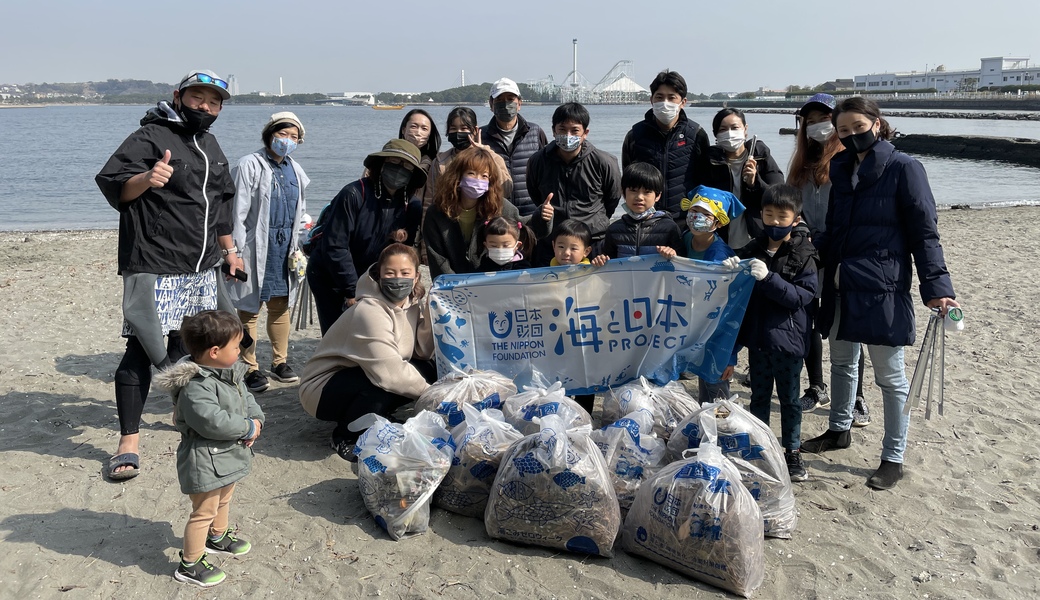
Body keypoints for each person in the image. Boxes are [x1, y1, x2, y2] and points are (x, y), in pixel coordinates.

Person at [800, 97, 958, 491]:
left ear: (877, 122)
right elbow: (835, 230)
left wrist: (937, 288)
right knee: (842, 363)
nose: (852, 135)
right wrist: (804, 242)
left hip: (883, 286)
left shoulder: (905, 168)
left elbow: (925, 234)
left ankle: (894, 456)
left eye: (858, 126)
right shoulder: (840, 168)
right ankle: (839, 430)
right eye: (844, 130)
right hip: (839, 282)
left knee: (890, 377)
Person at [95, 69, 239, 480]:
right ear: (179, 96)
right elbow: (114, 183)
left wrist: (230, 253)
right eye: (198, 98)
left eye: (214, 103)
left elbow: (221, 206)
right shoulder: (150, 136)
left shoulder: (211, 144)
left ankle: (185, 412)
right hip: (155, 262)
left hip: (201, 265)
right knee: (141, 348)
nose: (205, 107)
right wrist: (146, 177)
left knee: (190, 343)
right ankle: (128, 441)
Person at [155, 310, 264, 588]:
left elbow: (246, 397)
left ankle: (218, 535)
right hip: (203, 459)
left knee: (224, 497)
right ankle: (189, 563)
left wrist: (256, 419)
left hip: (227, 456)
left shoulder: (229, 373)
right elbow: (212, 422)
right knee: (204, 509)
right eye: (236, 346)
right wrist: (246, 427)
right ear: (215, 352)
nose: (240, 350)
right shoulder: (196, 386)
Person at [298, 244, 436, 460]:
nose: (397, 279)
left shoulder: (411, 304)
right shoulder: (368, 310)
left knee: (428, 370)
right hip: (322, 388)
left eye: (405, 273)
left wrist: (430, 314)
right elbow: (388, 372)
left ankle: (374, 414)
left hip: (367, 373)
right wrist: (433, 395)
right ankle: (346, 435)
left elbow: (421, 352)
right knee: (382, 384)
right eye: (390, 273)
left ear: (416, 277)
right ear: (379, 275)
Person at [730, 184, 818, 482]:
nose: (775, 222)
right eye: (769, 214)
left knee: (790, 398)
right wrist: (731, 267)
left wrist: (768, 278)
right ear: (761, 215)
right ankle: (759, 446)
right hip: (758, 338)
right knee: (759, 396)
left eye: (783, 216)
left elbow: (801, 297)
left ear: (796, 218)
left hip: (789, 341)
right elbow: (732, 269)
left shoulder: (804, 253)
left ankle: (792, 451)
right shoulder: (753, 247)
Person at [788, 93, 868, 423]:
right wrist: (803, 235)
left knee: (847, 326)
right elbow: (795, 209)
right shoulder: (801, 167)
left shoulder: (849, 161)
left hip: (842, 254)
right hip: (809, 254)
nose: (817, 126)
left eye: (824, 119)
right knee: (809, 322)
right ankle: (817, 387)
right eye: (810, 121)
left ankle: (858, 396)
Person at [305, 139, 425, 334]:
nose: (399, 170)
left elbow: (403, 252)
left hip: (374, 277)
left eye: (406, 167)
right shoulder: (353, 194)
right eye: (394, 163)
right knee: (339, 335)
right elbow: (335, 246)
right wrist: (352, 290)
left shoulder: (411, 206)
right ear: (381, 164)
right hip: (330, 276)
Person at [229, 112, 310, 393]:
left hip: (284, 246)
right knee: (249, 308)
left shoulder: (295, 170)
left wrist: (303, 239)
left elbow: (300, 211)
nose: (287, 141)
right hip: (254, 246)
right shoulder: (249, 165)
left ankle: (280, 362)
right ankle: (249, 366)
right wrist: (235, 251)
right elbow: (236, 212)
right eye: (283, 134)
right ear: (270, 135)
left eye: (294, 137)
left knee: (280, 304)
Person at [423, 146, 551, 279]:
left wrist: (543, 217)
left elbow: (524, 228)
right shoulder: (436, 212)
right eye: (471, 173)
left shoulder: (498, 206)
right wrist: (454, 284)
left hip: (489, 281)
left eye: (484, 176)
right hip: (452, 285)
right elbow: (437, 257)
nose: (478, 180)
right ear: (457, 176)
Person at [526, 102, 621, 261]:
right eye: (562, 129)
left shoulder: (604, 162)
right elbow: (535, 194)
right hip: (553, 243)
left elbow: (612, 199)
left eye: (575, 130)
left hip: (593, 242)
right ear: (553, 131)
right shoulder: (537, 161)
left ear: (585, 132)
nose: (568, 135)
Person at [417, 107, 511, 263]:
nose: (458, 132)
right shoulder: (440, 162)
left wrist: (486, 155)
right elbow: (429, 202)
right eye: (453, 128)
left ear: (474, 130)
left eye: (464, 128)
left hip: (483, 228)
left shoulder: (492, 157)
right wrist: (424, 244)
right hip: (450, 228)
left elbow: (506, 190)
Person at [679, 185, 744, 402]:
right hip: (692, 327)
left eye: (707, 214)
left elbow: (733, 310)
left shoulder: (721, 256)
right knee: (703, 391)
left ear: (718, 222)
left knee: (716, 392)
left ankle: (721, 433)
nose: (698, 217)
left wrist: (730, 355)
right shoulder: (685, 239)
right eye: (695, 211)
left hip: (715, 333)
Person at [621, 70, 711, 226]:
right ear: (651, 100)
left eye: (672, 98)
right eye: (659, 97)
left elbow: (705, 179)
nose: (665, 102)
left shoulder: (696, 134)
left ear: (683, 102)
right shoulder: (635, 135)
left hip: (684, 219)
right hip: (645, 219)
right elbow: (628, 178)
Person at [705, 108, 785, 248]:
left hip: (755, 240)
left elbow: (780, 196)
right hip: (718, 240)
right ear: (716, 134)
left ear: (745, 129)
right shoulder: (710, 162)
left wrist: (755, 183)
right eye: (723, 129)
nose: (729, 133)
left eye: (735, 127)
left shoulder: (761, 157)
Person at [479, 77, 548, 217]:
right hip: (497, 214)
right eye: (499, 100)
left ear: (519, 103)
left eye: (510, 99)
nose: (505, 104)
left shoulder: (535, 132)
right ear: (491, 105)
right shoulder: (481, 137)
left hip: (532, 213)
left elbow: (547, 170)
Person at [591, 163, 684, 264]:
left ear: (657, 196)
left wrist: (673, 255)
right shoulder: (614, 229)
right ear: (623, 193)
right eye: (633, 190)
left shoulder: (669, 227)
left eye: (647, 191)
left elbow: (683, 261)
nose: (639, 197)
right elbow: (609, 263)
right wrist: (600, 261)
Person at [399, 109, 441, 200]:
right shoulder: (388, 157)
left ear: (429, 135)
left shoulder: (434, 164)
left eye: (424, 129)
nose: (418, 133)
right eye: (414, 126)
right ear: (404, 129)